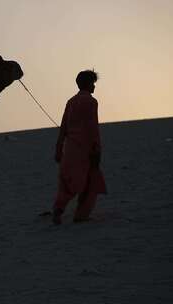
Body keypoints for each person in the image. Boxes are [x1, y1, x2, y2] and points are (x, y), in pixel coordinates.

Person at [52, 70, 107, 225]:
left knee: (67, 182)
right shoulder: (91, 102)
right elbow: (92, 128)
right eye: (93, 84)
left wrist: (58, 148)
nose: (94, 87)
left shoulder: (70, 101)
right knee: (90, 182)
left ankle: (58, 210)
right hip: (85, 150)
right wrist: (97, 150)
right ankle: (81, 215)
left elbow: (63, 127)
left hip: (69, 150)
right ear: (88, 84)